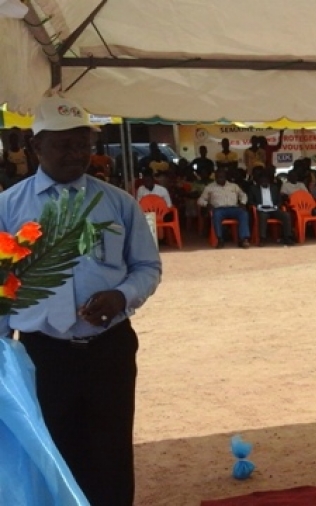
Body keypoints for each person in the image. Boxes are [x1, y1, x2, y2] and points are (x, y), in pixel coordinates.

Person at [0, 96, 162, 506]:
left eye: (83, 144)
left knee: (112, 453)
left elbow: (147, 266)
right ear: (36, 146)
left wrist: (122, 296)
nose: (75, 154)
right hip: (42, 355)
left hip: (109, 349)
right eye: (63, 145)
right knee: (53, 453)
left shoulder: (119, 202)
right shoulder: (8, 207)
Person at [198, 167, 251, 248]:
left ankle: (243, 239)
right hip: (219, 209)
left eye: (222, 177)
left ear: (226, 177)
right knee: (216, 215)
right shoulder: (209, 187)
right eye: (218, 177)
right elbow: (200, 200)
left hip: (233, 208)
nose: (220, 179)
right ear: (215, 177)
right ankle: (220, 239)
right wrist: (207, 204)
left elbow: (243, 195)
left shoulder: (234, 186)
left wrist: (243, 203)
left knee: (244, 213)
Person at [247, 172, 296, 246]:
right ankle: (262, 238)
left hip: (274, 209)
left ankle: (287, 237)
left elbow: (280, 200)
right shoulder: (254, 189)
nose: (264, 182)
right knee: (263, 216)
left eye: (266, 181)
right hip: (262, 209)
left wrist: (276, 206)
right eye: (262, 181)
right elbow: (250, 201)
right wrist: (258, 206)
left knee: (286, 215)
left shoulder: (274, 188)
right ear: (259, 181)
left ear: (269, 181)